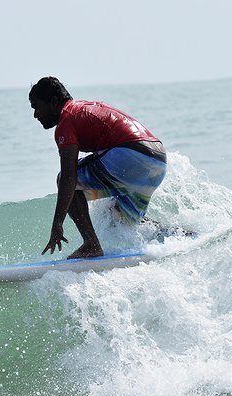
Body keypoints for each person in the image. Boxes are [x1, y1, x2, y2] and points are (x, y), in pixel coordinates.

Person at [29, 76, 167, 259]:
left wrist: (57, 224)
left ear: (53, 101)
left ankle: (91, 244)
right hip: (157, 159)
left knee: (64, 179)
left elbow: (69, 177)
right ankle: (180, 235)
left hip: (133, 153)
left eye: (36, 106)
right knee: (121, 217)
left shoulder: (66, 119)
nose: (36, 115)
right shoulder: (84, 108)